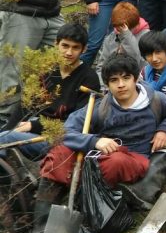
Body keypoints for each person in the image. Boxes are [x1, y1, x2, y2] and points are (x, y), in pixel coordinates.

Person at [24, 54, 166, 233]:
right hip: (100, 152)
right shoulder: (101, 107)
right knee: (60, 153)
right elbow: (65, 131)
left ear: (135, 78)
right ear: (107, 84)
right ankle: (39, 232)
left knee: (114, 162)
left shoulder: (155, 100)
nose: (121, 85)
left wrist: (164, 129)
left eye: (126, 78)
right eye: (114, 80)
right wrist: (94, 140)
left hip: (132, 157)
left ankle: (83, 210)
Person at [0, 24, 100, 161]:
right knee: (5, 137)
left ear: (84, 49)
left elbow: (78, 123)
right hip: (34, 131)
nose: (69, 52)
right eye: (65, 46)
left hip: (63, 139)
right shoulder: (45, 69)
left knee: (7, 138)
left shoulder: (89, 78)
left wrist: (32, 126)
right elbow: (25, 105)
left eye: (75, 47)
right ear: (56, 44)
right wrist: (9, 130)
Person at [119, 31, 166, 209]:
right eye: (148, 54)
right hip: (149, 118)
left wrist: (163, 128)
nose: (153, 58)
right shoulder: (146, 72)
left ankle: (143, 192)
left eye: (158, 52)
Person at [95, 1, 150, 88]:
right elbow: (101, 67)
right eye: (119, 28)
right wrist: (104, 86)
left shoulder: (146, 36)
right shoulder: (111, 38)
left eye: (127, 28)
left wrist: (126, 35)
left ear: (137, 24)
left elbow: (139, 62)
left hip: (139, 84)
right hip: (112, 85)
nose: (121, 30)